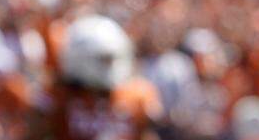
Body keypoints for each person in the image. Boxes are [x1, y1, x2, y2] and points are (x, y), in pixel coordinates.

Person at [29, 15, 163, 140]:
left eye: (113, 59)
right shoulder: (56, 96)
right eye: (105, 59)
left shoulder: (137, 95)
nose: (112, 65)